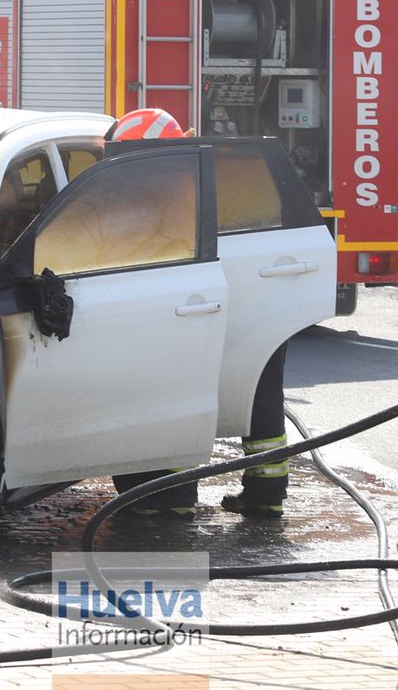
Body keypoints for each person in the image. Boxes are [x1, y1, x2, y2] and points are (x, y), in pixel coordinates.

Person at [104, 108, 292, 518]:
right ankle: (266, 492)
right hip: (255, 297)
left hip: (202, 306)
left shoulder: (169, 187)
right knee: (259, 392)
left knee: (183, 393)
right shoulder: (205, 171)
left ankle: (174, 498)